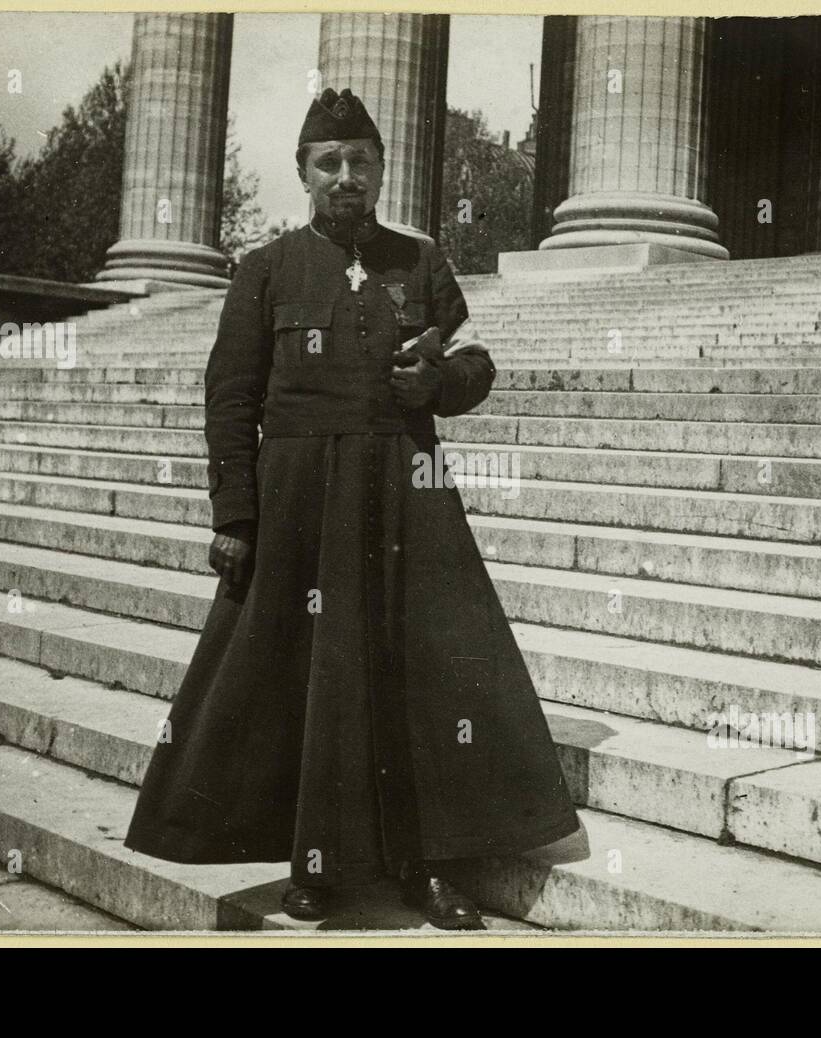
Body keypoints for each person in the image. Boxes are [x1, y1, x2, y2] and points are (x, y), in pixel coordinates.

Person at [123, 87, 581, 930]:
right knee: (305, 675)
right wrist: (235, 515)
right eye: (329, 163)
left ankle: (430, 862)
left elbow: (477, 366)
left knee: (429, 673)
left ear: (380, 171)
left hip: (407, 495)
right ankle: (314, 863)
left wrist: (435, 383)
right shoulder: (263, 270)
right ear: (303, 173)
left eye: (360, 162)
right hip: (299, 501)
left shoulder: (421, 261)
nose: (346, 177)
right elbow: (229, 397)